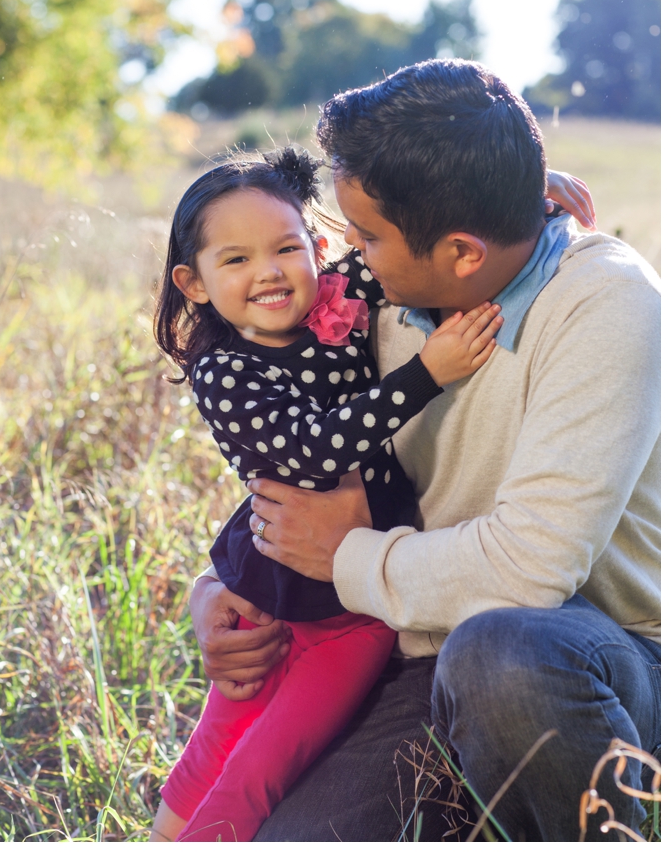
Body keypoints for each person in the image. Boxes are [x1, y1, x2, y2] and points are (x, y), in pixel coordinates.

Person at [189, 60, 660, 842]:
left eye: (365, 236)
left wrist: (345, 556)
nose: (345, 254)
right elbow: (308, 455)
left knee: (504, 655)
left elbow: (532, 570)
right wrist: (214, 585)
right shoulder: (380, 298)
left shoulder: (608, 303)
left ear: (463, 253)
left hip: (593, 659)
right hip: (421, 651)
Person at [148, 147, 506, 841]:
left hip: (358, 606)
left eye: (286, 248)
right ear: (193, 283)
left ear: (316, 246)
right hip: (269, 587)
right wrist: (427, 374)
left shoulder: (339, 301)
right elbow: (314, 454)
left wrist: (515, 193)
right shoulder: (224, 371)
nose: (269, 272)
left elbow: (411, 244)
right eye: (236, 260)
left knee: (267, 760)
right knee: (220, 742)